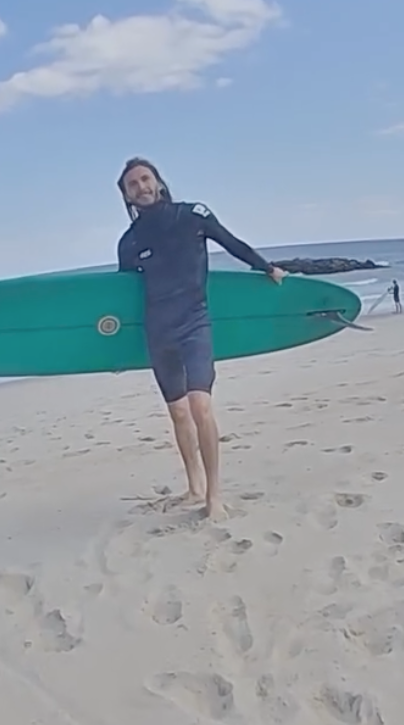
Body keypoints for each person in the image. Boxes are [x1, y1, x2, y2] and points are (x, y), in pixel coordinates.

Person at [116, 157, 286, 521]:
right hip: (157, 331)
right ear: (127, 197)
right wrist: (115, 352)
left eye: (146, 179)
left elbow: (230, 242)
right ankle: (193, 487)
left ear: (158, 182)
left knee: (200, 405)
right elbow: (124, 299)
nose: (141, 187)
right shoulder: (129, 243)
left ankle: (214, 495)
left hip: (194, 323)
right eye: (133, 185)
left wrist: (266, 267)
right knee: (178, 412)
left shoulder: (192, 214)